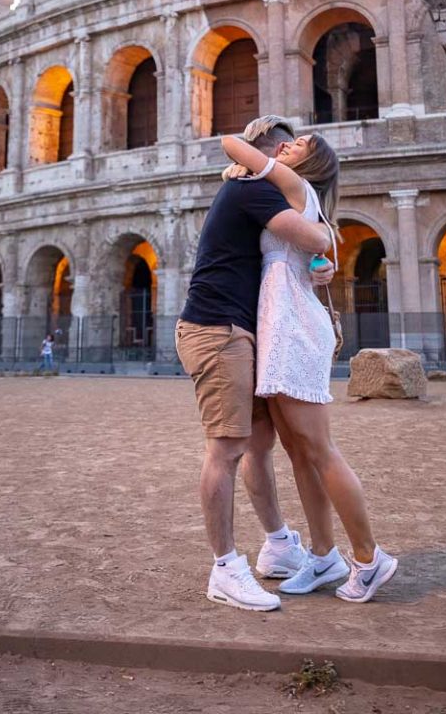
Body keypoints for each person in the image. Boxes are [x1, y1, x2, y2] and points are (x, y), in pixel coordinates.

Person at [220, 130, 398, 604]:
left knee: (319, 450)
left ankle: (369, 557)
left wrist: (250, 162)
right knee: (299, 452)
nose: (286, 145)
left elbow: (230, 142)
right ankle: (323, 556)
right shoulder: (291, 196)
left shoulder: (298, 189)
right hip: (279, 323)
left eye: (298, 144)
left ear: (312, 163)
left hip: (293, 327)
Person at [176, 116, 336, 612]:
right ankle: (225, 568)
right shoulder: (252, 189)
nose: (288, 153)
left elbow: (295, 256)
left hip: (241, 331)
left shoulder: (256, 190)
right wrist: (323, 245)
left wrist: (318, 269)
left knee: (259, 445)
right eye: (285, 147)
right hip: (218, 328)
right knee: (226, 449)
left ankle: (280, 545)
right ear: (275, 151)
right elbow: (314, 238)